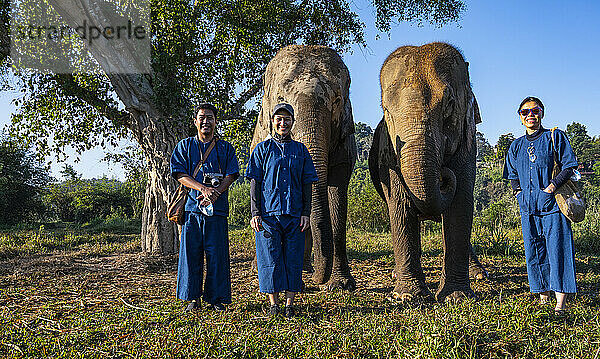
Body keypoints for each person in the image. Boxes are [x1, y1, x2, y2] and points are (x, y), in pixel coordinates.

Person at [504, 96, 578, 314]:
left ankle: (560, 302)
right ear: (519, 117)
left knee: (558, 250)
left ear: (542, 113)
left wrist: (551, 187)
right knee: (534, 251)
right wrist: (518, 193)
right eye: (525, 112)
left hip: (553, 205)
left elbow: (569, 166)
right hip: (528, 207)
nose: (530, 115)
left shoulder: (555, 137)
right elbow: (512, 174)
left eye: (535, 111)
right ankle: (543, 295)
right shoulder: (516, 145)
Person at [245, 103, 318, 319]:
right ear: (273, 122)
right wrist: (255, 213)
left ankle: (289, 305)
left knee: (293, 259)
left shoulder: (301, 150)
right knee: (270, 259)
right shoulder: (262, 150)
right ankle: (273, 304)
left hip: (295, 216)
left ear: (293, 122)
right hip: (268, 216)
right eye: (279, 119)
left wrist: (306, 212)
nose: (283, 123)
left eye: (287, 119)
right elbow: (255, 183)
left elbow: (307, 184)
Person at [170, 103, 240, 312]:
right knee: (191, 254)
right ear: (195, 121)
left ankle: (216, 298)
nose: (206, 121)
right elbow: (180, 174)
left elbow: (231, 174)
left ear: (216, 122)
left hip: (217, 211)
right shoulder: (185, 146)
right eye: (202, 117)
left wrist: (216, 193)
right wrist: (202, 188)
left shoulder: (225, 148)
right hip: (192, 209)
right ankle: (192, 298)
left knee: (217, 255)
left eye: (210, 117)